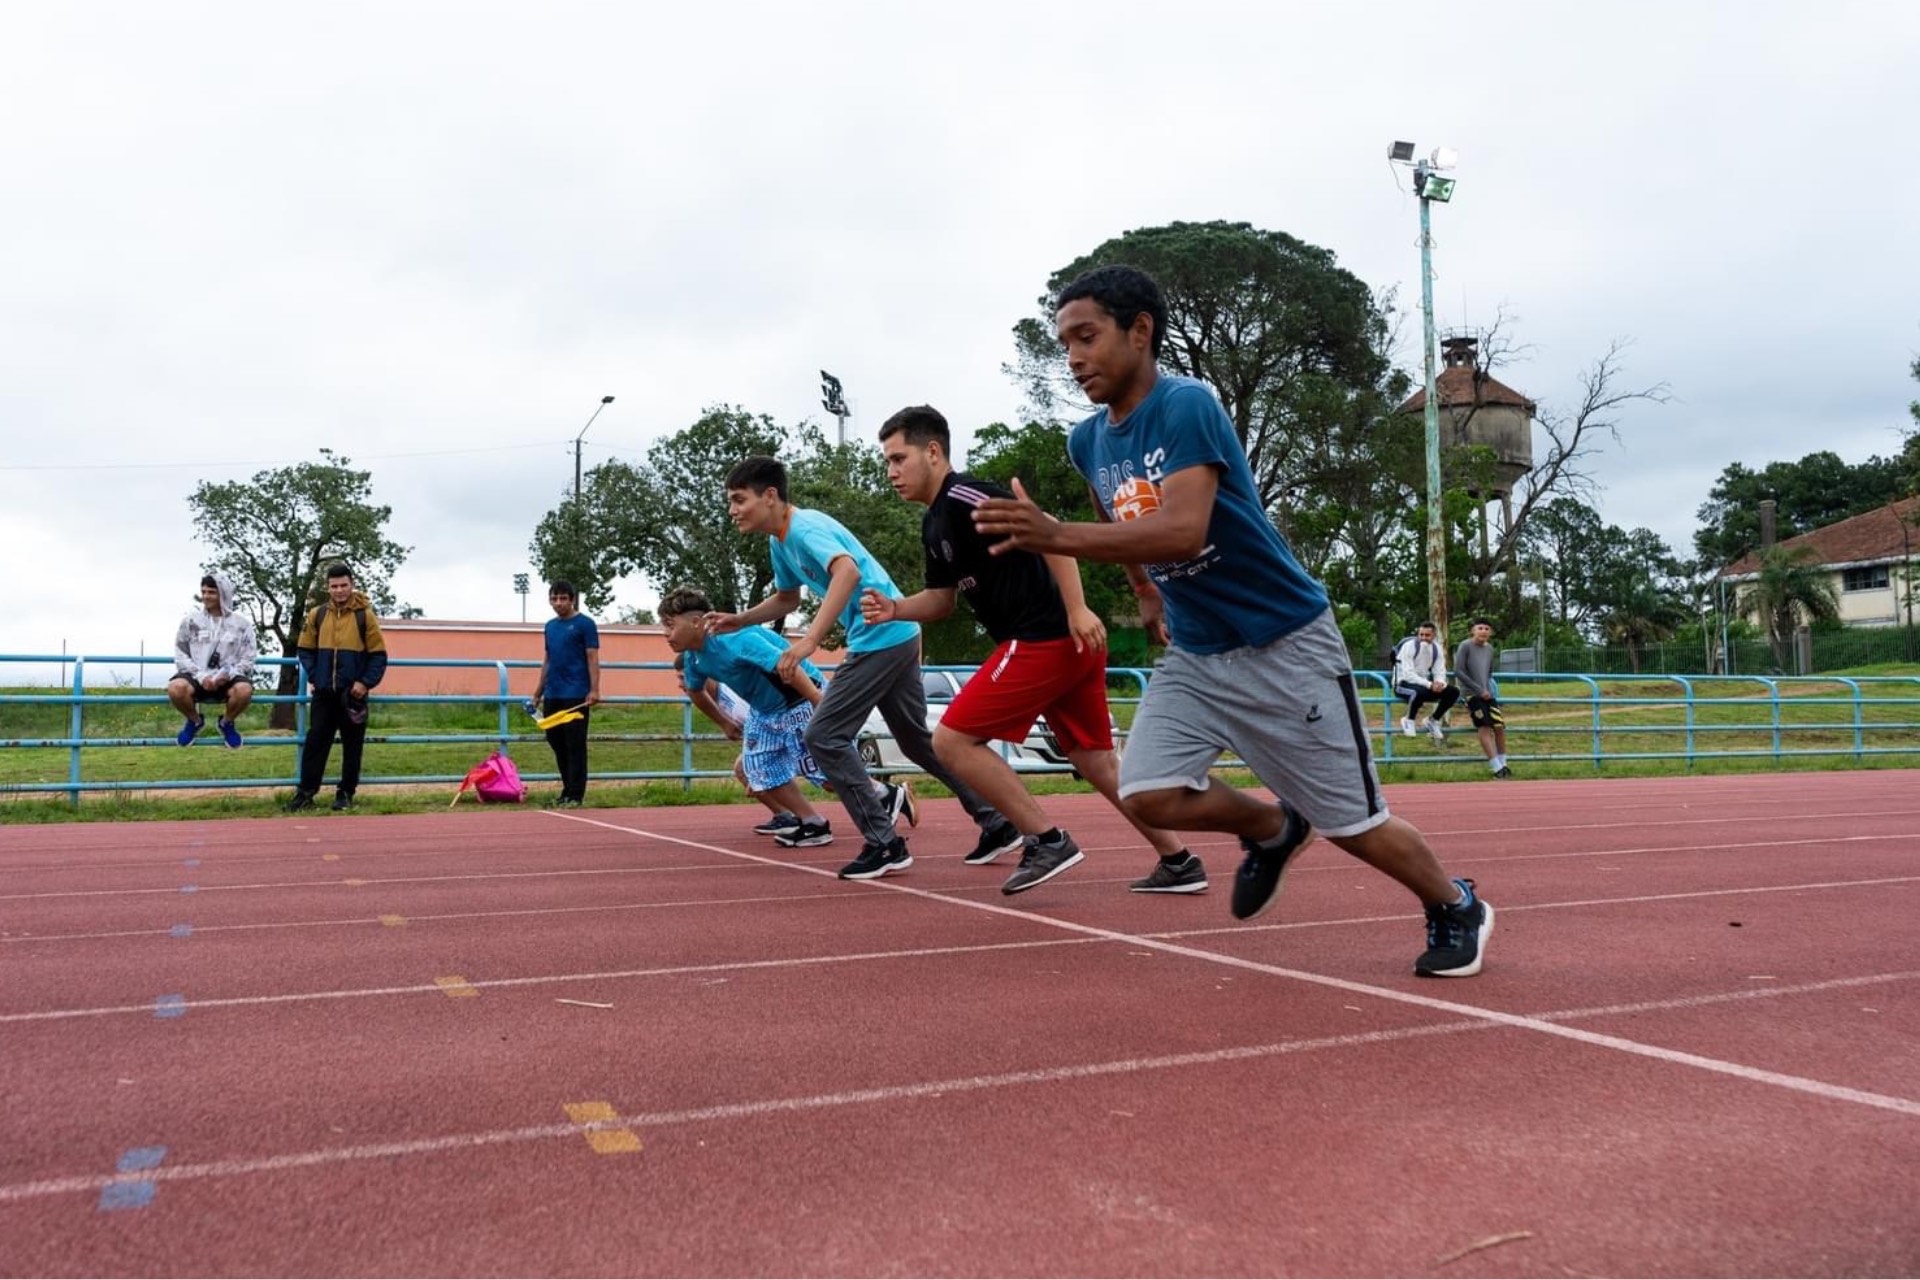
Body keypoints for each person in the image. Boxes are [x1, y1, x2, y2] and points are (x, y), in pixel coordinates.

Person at [971, 264, 1491, 976]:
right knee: (1148, 792)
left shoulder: (1186, 406)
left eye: (1087, 337)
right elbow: (1112, 505)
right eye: (1064, 343)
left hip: (1285, 642)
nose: (1073, 357)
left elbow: (1183, 530)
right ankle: (1272, 827)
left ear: (1141, 331)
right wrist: (1146, 592)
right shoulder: (1087, 441)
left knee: (1355, 826)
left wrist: (1051, 535)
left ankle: (1455, 903)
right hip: (1199, 653)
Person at [863, 405, 1204, 896]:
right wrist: (895, 608)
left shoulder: (967, 498)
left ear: (933, 452)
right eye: (887, 463)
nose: (891, 472)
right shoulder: (934, 525)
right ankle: (1179, 860)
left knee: (952, 741)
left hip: (1047, 636)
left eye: (898, 458)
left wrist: (1078, 609)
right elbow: (942, 600)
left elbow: (1052, 534)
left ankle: (1047, 839)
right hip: (1063, 644)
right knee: (1096, 762)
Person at [710, 455, 1022, 881]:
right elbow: (788, 599)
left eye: (738, 499)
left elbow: (847, 571)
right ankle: (997, 822)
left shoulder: (805, 528)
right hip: (898, 635)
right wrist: (740, 619)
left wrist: (810, 641)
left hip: (880, 638)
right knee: (916, 741)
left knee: (823, 735)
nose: (732, 510)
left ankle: (884, 842)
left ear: (770, 496)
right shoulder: (779, 541)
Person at [661, 587, 835, 847]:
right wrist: (724, 723)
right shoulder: (693, 659)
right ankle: (813, 823)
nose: (666, 633)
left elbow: (788, 664)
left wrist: (818, 702)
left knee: (827, 776)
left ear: (696, 623)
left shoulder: (735, 639)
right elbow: (695, 691)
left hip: (799, 696)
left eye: (670, 625)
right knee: (756, 770)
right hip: (765, 710)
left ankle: (884, 795)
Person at [291, 563, 387, 812]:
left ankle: (345, 793)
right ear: (328, 588)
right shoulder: (317, 614)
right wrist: (316, 676)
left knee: (352, 745)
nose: (339, 590)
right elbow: (305, 649)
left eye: (344, 585)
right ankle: (306, 793)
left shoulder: (365, 616)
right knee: (315, 742)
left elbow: (378, 655)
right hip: (324, 693)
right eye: (334, 586)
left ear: (352, 584)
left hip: (352, 694)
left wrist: (364, 683)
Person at [167, 571, 256, 749]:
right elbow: (180, 652)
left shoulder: (242, 625)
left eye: (211, 592)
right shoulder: (190, 622)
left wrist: (228, 674)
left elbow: (249, 655)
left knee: (245, 690)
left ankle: (227, 723)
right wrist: (201, 676)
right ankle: (194, 720)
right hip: (196, 674)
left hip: (229, 676)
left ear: (223, 593)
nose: (206, 596)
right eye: (204, 592)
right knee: (175, 688)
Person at [530, 580, 600, 808]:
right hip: (553, 693)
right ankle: (566, 789)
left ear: (572, 600)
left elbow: (592, 658)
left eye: (563, 598)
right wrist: (538, 692)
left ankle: (576, 794)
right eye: (554, 598)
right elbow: (548, 660)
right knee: (556, 741)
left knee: (575, 744)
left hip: (576, 694)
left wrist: (594, 689)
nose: (558, 603)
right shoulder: (550, 627)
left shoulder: (585, 624)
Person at [1454, 618, 1511, 778]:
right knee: (1484, 726)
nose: (1483, 631)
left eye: (1487, 628)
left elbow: (1489, 672)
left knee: (1499, 726)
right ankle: (1495, 767)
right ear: (1473, 631)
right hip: (1472, 694)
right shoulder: (1465, 646)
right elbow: (1459, 671)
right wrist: (1478, 689)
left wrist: (1489, 689)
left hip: (1488, 693)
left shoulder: (1490, 649)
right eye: (1480, 628)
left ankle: (1503, 763)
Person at [1393, 621, 1458, 744]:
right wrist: (1429, 684)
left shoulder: (1436, 649)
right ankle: (1408, 719)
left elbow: (1439, 670)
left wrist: (1439, 683)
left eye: (1427, 635)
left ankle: (1433, 720)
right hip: (1402, 684)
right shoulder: (1409, 646)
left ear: (1433, 636)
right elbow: (1408, 674)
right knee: (1418, 692)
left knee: (1453, 692)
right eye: (1421, 634)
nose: (1423, 638)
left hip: (1423, 684)